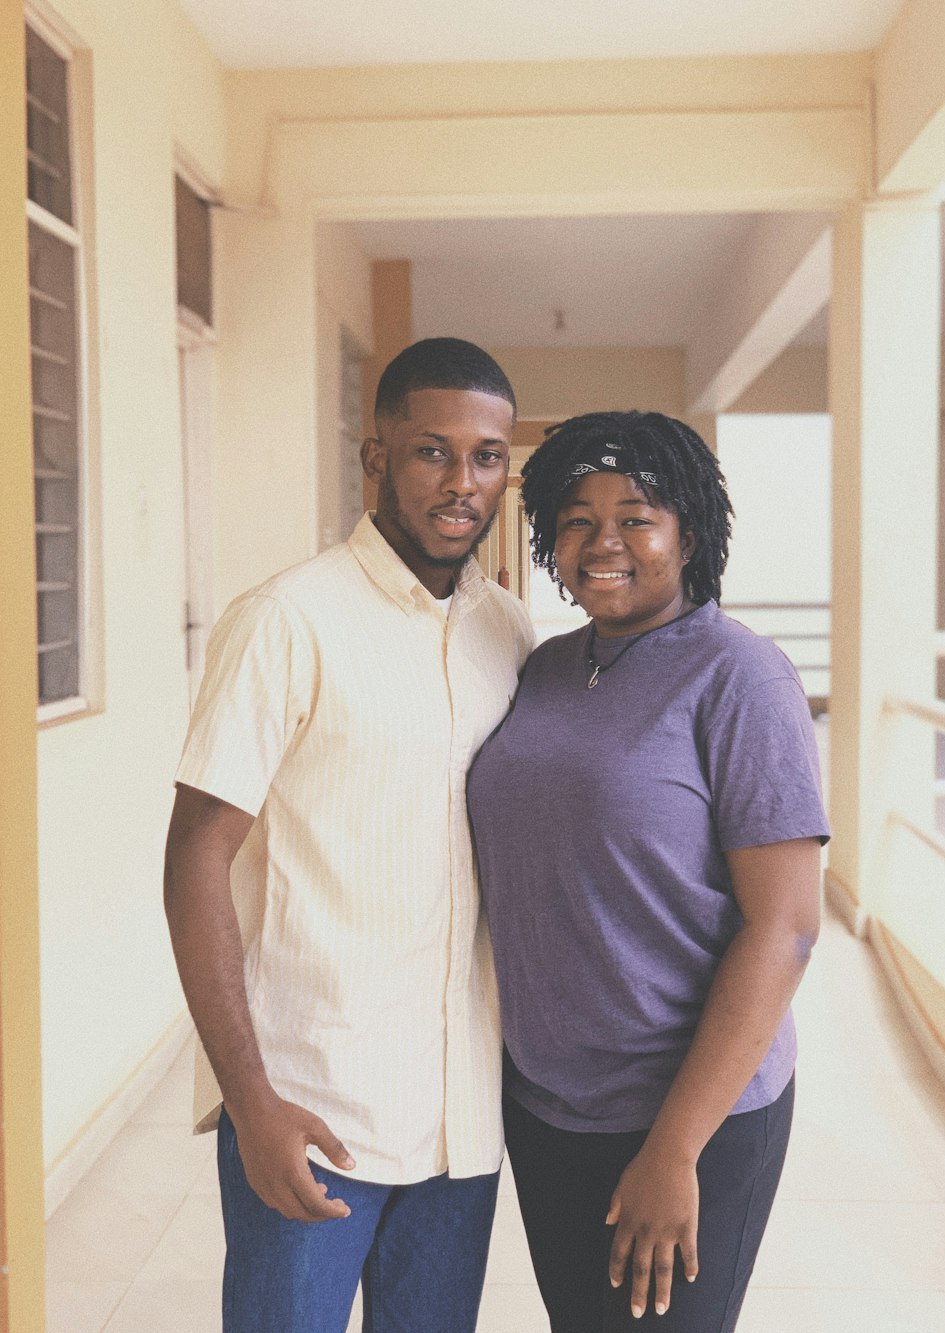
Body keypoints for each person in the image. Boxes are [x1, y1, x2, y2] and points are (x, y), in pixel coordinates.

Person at [163, 338, 533, 1333]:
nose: (462, 483)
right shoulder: (287, 620)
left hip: (462, 1122)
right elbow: (194, 859)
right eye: (431, 451)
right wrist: (250, 1101)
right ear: (374, 459)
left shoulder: (512, 636)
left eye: (487, 456)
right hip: (313, 1111)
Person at [468, 410, 830, 1332]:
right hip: (549, 1108)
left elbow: (785, 926)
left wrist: (675, 1148)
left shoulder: (740, 678)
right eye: (578, 518)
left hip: (687, 1118)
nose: (605, 542)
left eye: (637, 516)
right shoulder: (547, 667)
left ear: (690, 533)